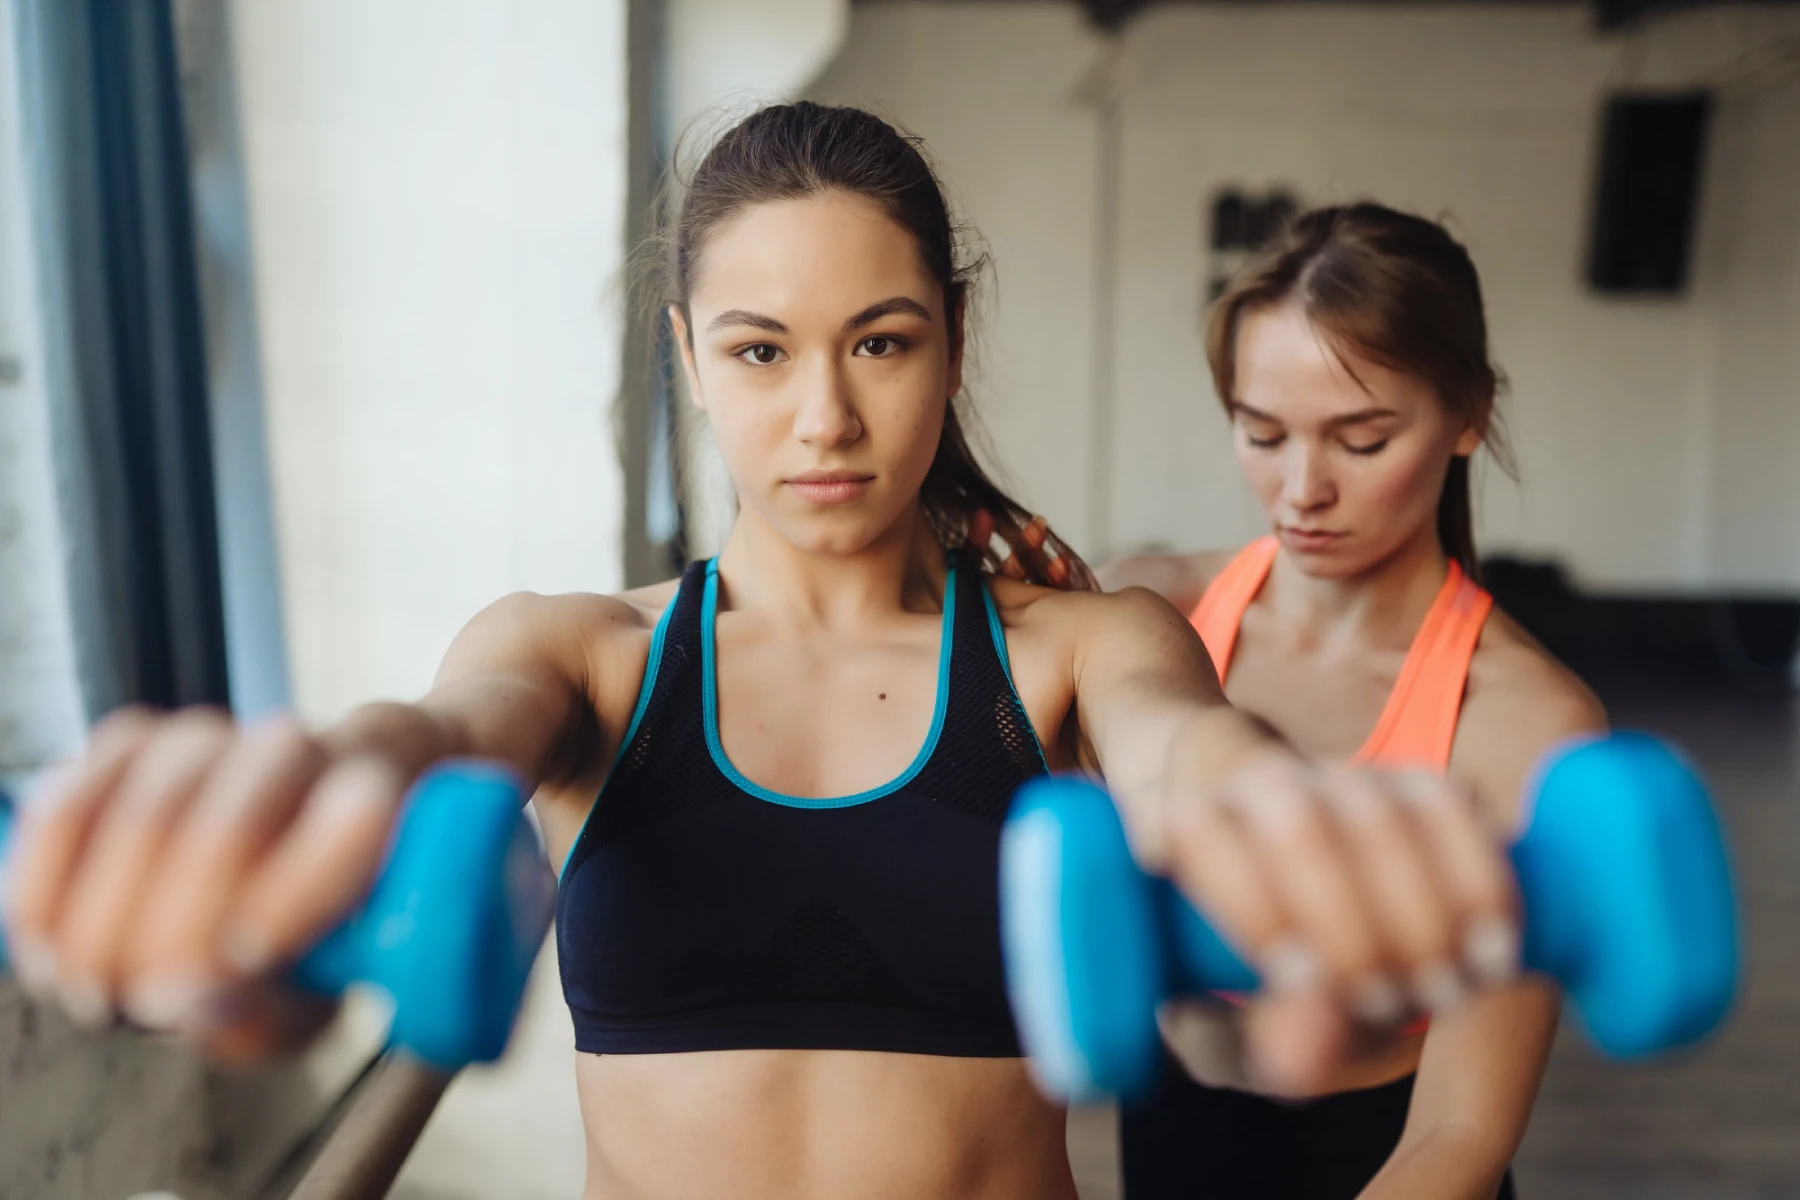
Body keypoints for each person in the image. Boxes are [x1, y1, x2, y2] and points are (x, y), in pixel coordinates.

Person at [5, 110, 1523, 1200]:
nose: (824, 421)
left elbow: (1186, 749)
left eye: (880, 341)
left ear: (952, 334)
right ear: (683, 353)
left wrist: (1276, 808)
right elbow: (440, 732)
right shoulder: (585, 655)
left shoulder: (1078, 648)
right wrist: (307, 786)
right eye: (758, 350)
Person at [1103, 202, 1607, 1199]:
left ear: (1469, 415)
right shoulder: (1149, 613)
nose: (1301, 490)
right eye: (1262, 433)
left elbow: (1462, 1132)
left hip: (1393, 1160)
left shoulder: (1528, 722)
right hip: (1169, 1135)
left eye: (1362, 441)